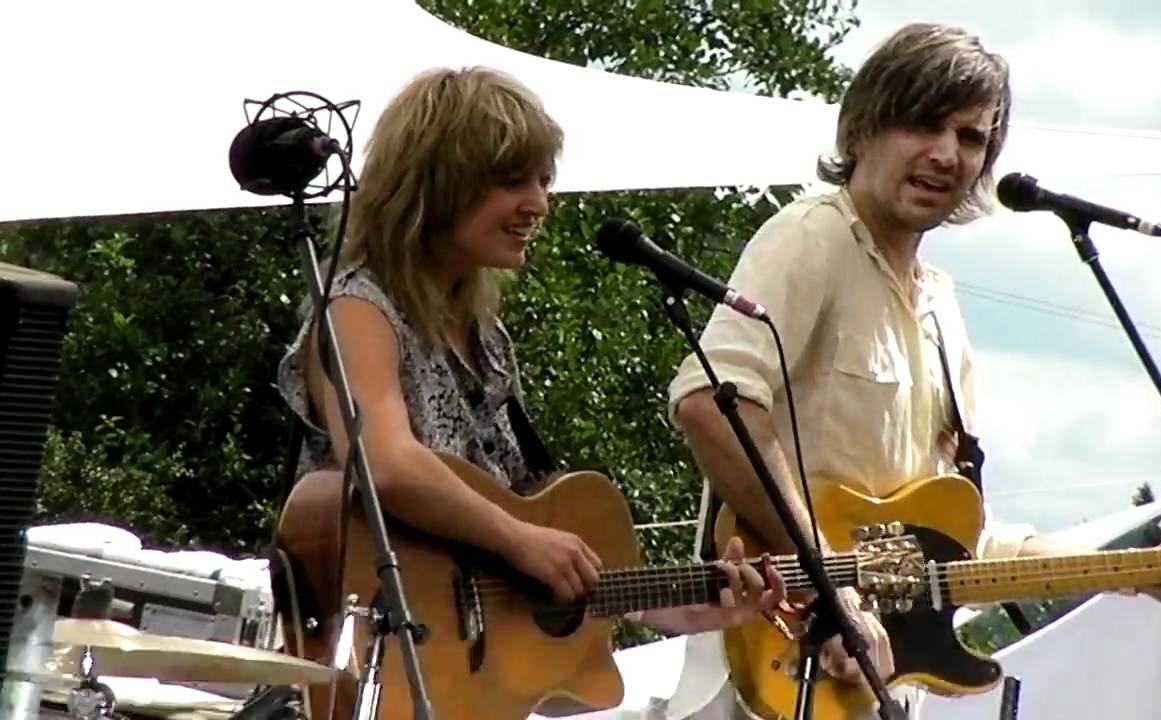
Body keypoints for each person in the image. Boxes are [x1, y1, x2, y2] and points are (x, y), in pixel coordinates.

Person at [667, 21, 1161, 713]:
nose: (945, 155)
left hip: (870, 689)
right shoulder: (813, 237)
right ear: (864, 128)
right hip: (766, 673)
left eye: (970, 138)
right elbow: (710, 401)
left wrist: (1134, 571)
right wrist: (834, 584)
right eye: (924, 125)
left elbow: (956, 539)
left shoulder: (939, 310)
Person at [276, 68, 785, 650]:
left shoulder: (485, 339)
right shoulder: (357, 308)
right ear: (436, 185)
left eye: (543, 181)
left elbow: (534, 544)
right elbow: (384, 463)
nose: (538, 204)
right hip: (375, 648)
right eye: (514, 181)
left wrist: (690, 606)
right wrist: (519, 539)